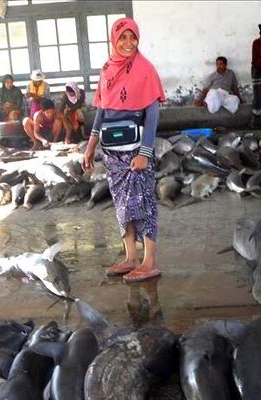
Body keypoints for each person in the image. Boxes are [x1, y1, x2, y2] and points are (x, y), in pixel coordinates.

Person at [82, 18, 165, 283]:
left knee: (145, 203)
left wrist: (145, 152)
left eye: (133, 38)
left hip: (136, 149)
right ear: (114, 40)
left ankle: (149, 261)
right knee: (122, 205)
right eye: (123, 38)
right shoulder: (107, 69)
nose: (128, 43)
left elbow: (152, 114)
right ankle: (130, 257)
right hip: (112, 151)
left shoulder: (145, 69)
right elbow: (102, 110)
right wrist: (91, 145)